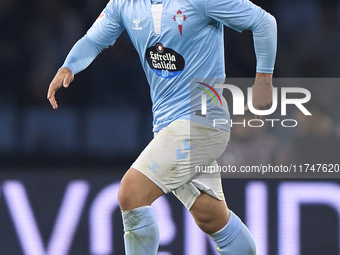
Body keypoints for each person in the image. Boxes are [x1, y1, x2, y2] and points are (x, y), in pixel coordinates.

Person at [47, 0, 277, 254]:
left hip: (202, 123)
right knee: (211, 217)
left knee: (131, 193)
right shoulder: (124, 4)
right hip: (168, 126)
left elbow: (264, 21)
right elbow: (93, 41)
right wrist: (68, 66)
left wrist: (264, 79)